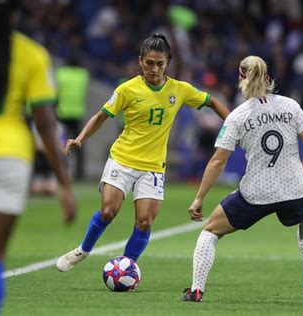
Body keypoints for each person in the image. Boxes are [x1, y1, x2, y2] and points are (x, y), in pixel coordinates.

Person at [56, 33, 229, 272]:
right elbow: (101, 116)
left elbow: (213, 103)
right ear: (140, 61)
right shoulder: (127, 89)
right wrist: (80, 138)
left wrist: (234, 124)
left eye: (160, 63)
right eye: (149, 63)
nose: (154, 69)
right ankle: (83, 250)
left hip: (153, 167)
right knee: (108, 211)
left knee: (145, 222)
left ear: (168, 62)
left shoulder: (180, 89)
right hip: (122, 159)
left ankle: (125, 269)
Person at [182, 55, 303, 302]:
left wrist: (199, 198)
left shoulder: (237, 116)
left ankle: (196, 290)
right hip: (293, 189)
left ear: (241, 79)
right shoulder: (290, 105)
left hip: (256, 193)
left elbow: (218, 160)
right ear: (268, 79)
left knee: (210, 230)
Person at [0, 1, 76, 314]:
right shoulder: (32, 54)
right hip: (10, 156)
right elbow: (44, 122)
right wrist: (64, 182)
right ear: (15, 14)